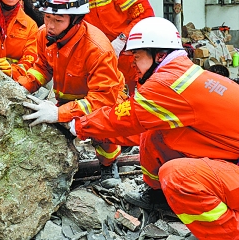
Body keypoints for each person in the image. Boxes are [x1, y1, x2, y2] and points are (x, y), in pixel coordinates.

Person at [65, 16, 239, 238]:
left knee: (177, 176)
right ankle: (160, 196)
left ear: (159, 55)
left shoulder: (168, 84)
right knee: (154, 132)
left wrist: (75, 124)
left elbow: (127, 118)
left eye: (137, 57)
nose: (133, 65)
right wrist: (100, 132)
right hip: (231, 158)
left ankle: (228, 233)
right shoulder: (181, 76)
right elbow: (138, 128)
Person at [19, 0, 136, 183]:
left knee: (103, 135)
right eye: (47, 17)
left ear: (76, 19)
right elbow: (42, 67)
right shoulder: (44, 35)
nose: (50, 26)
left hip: (104, 100)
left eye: (58, 20)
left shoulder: (98, 49)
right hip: (69, 98)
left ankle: (108, 164)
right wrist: (23, 87)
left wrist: (59, 113)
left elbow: (102, 99)